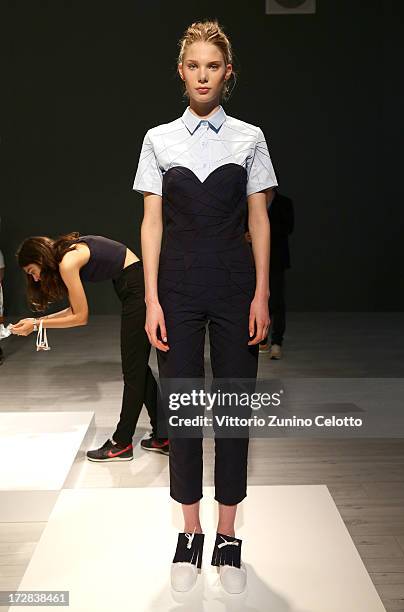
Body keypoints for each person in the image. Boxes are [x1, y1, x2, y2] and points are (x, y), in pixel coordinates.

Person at [133, 20, 278, 594]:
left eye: (212, 65)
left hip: (235, 284)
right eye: (193, 65)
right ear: (180, 70)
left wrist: (263, 292)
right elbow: (149, 224)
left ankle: (228, 534)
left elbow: (260, 220)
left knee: (235, 409)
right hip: (177, 288)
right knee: (186, 410)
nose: (202, 74)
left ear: (228, 73)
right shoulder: (157, 139)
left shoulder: (250, 137)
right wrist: (150, 298)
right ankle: (189, 531)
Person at [11, 233, 169, 459]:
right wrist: (36, 323)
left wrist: (37, 324)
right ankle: (164, 436)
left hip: (136, 288)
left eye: (31, 271)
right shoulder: (66, 255)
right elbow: (74, 310)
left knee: (133, 372)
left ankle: (122, 442)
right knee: (138, 369)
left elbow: (81, 316)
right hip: (133, 284)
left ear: (40, 258)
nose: (34, 279)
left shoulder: (68, 262)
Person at [258, 189, 294, 359]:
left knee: (277, 301)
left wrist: (262, 230)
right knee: (257, 299)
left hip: (277, 259)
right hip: (255, 259)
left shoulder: (284, 202)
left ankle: (277, 342)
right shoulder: (252, 200)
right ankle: (262, 340)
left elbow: (288, 227)